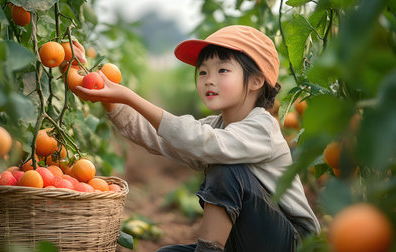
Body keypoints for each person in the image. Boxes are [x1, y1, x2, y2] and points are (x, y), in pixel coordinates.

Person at [75, 25, 320, 251]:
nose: (208, 80)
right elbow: (157, 136)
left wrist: (130, 96)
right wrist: (107, 95)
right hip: (245, 243)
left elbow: (205, 142)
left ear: (256, 80)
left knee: (226, 168)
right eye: (203, 72)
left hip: (292, 243)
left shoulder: (263, 127)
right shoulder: (217, 127)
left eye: (222, 70)